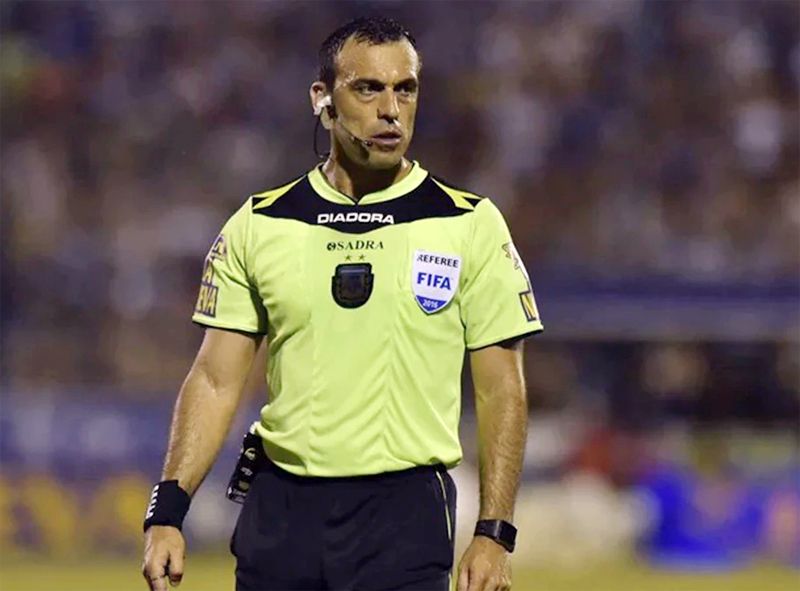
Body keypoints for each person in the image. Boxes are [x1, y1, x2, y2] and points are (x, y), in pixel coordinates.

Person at [142, 16, 543, 591]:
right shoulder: (261, 224)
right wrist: (167, 511)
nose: (391, 110)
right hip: (281, 513)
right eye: (368, 89)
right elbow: (214, 379)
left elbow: (502, 388)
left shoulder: (468, 224)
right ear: (322, 99)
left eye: (405, 89)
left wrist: (494, 532)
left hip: (403, 518)